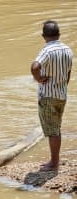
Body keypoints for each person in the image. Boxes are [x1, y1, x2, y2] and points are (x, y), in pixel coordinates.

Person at [31, 20, 73, 171]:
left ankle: (54, 164)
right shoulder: (68, 49)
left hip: (48, 96)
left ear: (43, 36)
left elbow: (35, 66)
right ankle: (54, 161)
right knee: (56, 127)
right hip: (61, 95)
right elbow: (68, 72)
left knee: (52, 131)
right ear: (59, 34)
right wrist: (62, 86)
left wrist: (39, 79)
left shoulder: (47, 51)